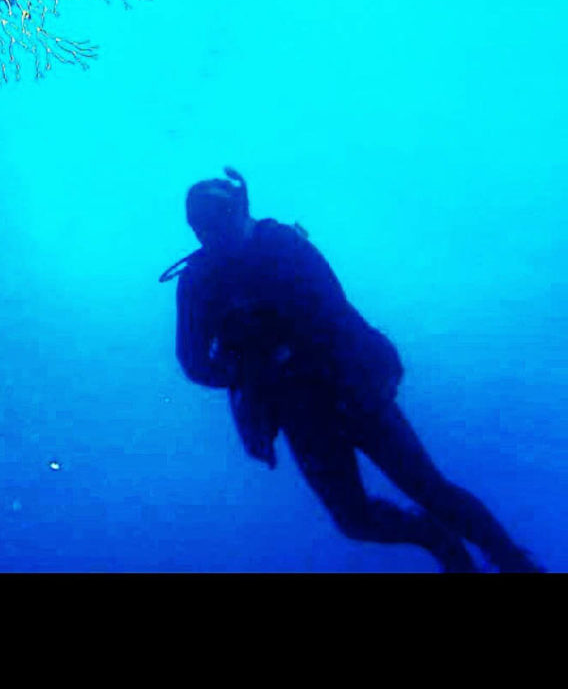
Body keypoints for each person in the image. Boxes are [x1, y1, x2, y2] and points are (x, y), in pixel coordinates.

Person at [164, 167, 543, 573]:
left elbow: (334, 313)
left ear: (242, 211)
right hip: (297, 411)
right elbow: (193, 363)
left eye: (219, 224)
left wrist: (286, 360)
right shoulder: (198, 283)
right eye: (202, 229)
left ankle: (515, 563)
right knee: (354, 521)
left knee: (430, 488)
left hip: (351, 389)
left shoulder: (283, 246)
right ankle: (434, 538)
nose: (214, 237)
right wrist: (250, 373)